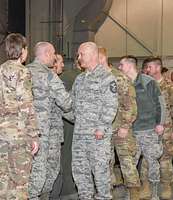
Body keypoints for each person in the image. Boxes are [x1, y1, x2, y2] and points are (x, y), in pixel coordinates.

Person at [69, 42, 118, 199]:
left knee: (100, 173)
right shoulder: (79, 79)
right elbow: (72, 104)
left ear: (92, 55)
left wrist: (102, 128)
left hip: (97, 136)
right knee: (80, 172)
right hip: (80, 135)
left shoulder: (107, 77)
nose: (79, 57)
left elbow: (111, 105)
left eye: (81, 54)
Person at [27, 42, 72, 200]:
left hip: (25, 132)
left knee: (29, 172)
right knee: (42, 174)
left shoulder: (24, 72)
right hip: (44, 134)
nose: (54, 58)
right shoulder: (48, 74)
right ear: (46, 53)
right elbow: (66, 103)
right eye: (53, 54)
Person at [119, 55, 165, 200]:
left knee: (152, 162)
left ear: (129, 65)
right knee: (130, 164)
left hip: (148, 130)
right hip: (130, 132)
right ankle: (131, 193)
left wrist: (160, 123)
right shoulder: (122, 83)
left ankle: (154, 193)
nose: (119, 68)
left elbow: (160, 103)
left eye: (121, 65)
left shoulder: (148, 82)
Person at [0, 33, 39, 199]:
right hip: (19, 133)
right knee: (21, 182)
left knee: (4, 180)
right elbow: (26, 106)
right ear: (22, 50)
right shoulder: (23, 72)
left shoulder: (0, 70)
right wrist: (34, 135)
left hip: (2, 134)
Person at [98, 47, 140, 200]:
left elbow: (130, 104)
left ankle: (134, 191)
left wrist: (125, 126)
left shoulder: (119, 77)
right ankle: (106, 190)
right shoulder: (96, 77)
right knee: (105, 161)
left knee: (126, 160)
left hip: (120, 127)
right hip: (104, 128)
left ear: (101, 57)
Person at [145, 57, 173, 199]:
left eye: (149, 67)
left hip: (166, 129)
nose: (147, 70)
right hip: (147, 130)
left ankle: (167, 186)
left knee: (165, 160)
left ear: (157, 68)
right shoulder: (146, 85)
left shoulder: (171, 87)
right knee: (146, 160)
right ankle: (147, 186)